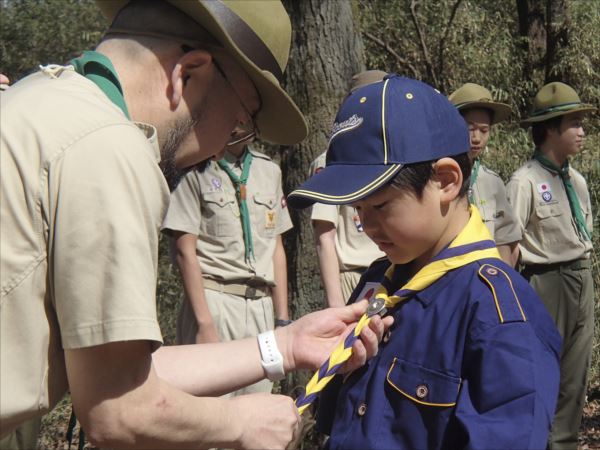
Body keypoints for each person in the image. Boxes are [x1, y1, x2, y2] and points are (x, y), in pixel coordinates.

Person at [0, 1, 391, 448]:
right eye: (239, 118)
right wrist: (240, 423)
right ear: (189, 72)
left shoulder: (43, 102)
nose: (226, 142)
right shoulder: (109, 150)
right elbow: (120, 410)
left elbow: (121, 375)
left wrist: (284, 346)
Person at [287, 74, 562, 449]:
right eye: (357, 208)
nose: (366, 225)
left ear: (446, 182)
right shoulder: (377, 283)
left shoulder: (499, 315)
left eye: (380, 205)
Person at [162, 136, 292, 396]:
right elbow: (184, 250)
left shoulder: (269, 171)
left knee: (257, 405)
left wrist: (282, 319)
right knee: (210, 407)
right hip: (215, 300)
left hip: (260, 304)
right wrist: (204, 322)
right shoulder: (194, 169)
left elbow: (275, 247)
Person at [506, 81, 596, 450]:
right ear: (549, 130)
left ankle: (566, 444)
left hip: (581, 277)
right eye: (573, 123)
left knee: (576, 376)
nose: (582, 131)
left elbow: (584, 232)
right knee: (543, 375)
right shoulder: (524, 181)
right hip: (545, 283)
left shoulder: (576, 180)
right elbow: (510, 245)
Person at [310, 70, 386, 308]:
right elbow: (325, 236)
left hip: (393, 274)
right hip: (353, 278)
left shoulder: (395, 158)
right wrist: (335, 305)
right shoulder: (331, 161)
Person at [449, 83, 522, 266]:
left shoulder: (491, 182)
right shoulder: (435, 179)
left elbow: (506, 240)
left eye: (484, 130)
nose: (477, 138)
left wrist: (501, 283)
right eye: (470, 128)